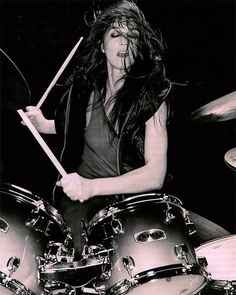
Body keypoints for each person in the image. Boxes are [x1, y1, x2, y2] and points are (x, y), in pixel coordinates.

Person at [24, 0, 230, 258]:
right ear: (102, 44)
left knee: (198, 251)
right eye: (115, 34)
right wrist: (42, 124)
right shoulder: (83, 90)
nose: (124, 42)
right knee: (77, 254)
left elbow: (155, 175)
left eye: (132, 36)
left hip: (132, 200)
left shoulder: (152, 97)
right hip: (82, 200)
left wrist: (91, 186)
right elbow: (78, 128)